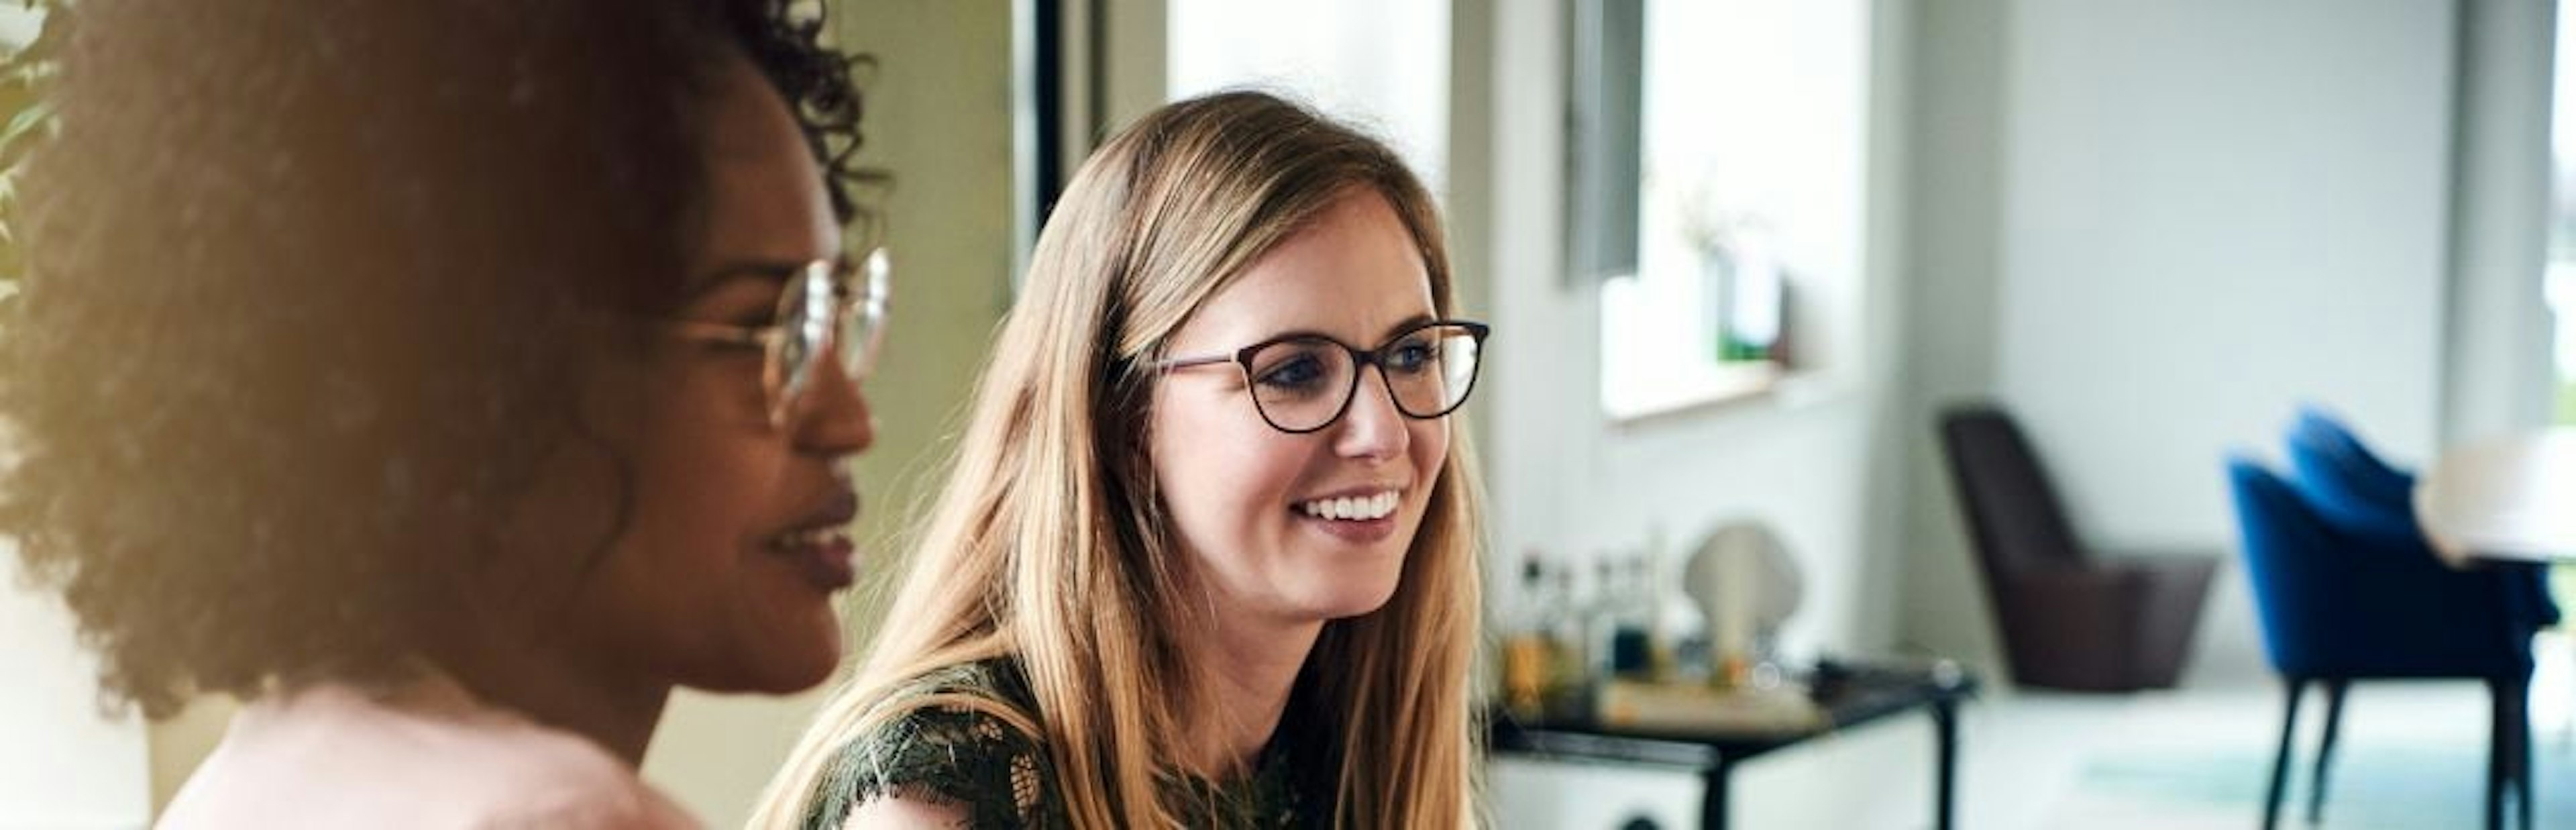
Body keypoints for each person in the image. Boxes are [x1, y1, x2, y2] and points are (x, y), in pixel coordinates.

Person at [0, 1, 884, 826]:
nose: (849, 419)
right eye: (759, 329)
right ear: (492, 362)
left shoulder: (237, 791)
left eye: (833, 310)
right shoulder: (556, 815)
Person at [754, 91, 1490, 829]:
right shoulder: (948, 797)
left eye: (1410, 354)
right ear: (1122, 420)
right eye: (1294, 371)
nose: (1384, 433)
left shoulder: (1345, 743)